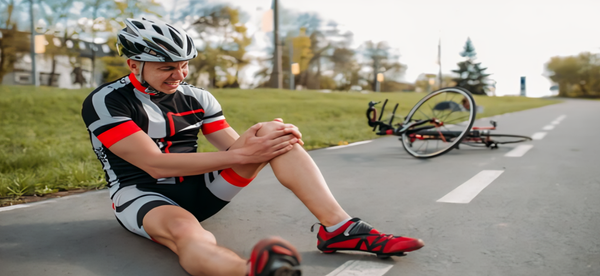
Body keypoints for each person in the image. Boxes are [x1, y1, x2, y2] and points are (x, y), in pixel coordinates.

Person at [81, 17, 424, 276]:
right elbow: (154, 164)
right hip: (143, 195)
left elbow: (234, 146)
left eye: (184, 65)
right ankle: (250, 271)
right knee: (189, 234)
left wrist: (272, 140)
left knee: (274, 135)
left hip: (200, 190)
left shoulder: (197, 97)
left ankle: (340, 228)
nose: (179, 75)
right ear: (133, 64)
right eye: (166, 68)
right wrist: (244, 155)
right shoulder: (106, 102)